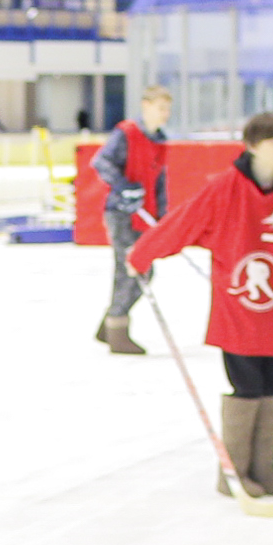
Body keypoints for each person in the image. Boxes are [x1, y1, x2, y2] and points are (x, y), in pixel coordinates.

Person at [129, 107, 273, 501]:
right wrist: (142, 254)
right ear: (253, 147)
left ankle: (264, 470)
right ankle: (233, 473)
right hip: (239, 314)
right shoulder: (225, 189)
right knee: (246, 383)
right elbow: (181, 223)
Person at [94, 84, 175, 356]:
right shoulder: (126, 133)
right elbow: (102, 162)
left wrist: (161, 217)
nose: (165, 113)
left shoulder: (159, 141)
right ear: (146, 106)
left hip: (144, 214)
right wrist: (123, 186)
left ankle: (110, 322)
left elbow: (159, 181)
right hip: (121, 213)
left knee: (143, 268)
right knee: (128, 269)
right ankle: (117, 328)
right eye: (160, 107)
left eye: (168, 108)